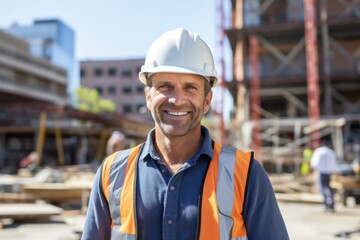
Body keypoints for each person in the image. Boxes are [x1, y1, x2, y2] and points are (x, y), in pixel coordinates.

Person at [81, 28, 289, 240]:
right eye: (165, 86)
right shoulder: (112, 172)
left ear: (207, 101)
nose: (177, 100)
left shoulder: (245, 174)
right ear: (148, 97)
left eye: (190, 88)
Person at [310, 140, 339, 212]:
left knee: (323, 189)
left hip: (322, 172)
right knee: (330, 188)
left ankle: (326, 204)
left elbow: (314, 163)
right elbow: (334, 165)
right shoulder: (331, 152)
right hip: (329, 173)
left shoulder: (318, 151)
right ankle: (331, 204)